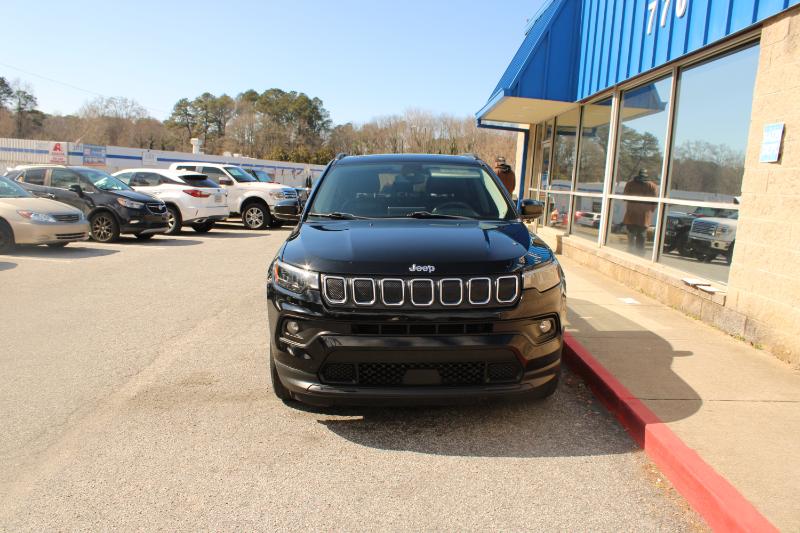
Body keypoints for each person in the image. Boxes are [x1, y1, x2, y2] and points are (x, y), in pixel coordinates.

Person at [622, 168, 658, 252]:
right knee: (640, 237)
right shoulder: (652, 186)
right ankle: (639, 253)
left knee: (632, 236)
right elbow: (655, 202)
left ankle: (632, 252)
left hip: (632, 215)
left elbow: (625, 197)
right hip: (643, 217)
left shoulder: (630, 184)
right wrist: (650, 210)